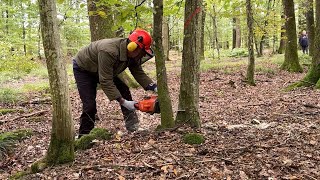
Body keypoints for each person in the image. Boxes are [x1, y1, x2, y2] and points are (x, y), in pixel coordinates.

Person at [73, 29, 158, 136]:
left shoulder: (133, 55)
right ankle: (84, 136)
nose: (142, 55)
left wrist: (153, 87)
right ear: (133, 46)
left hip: (103, 69)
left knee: (124, 90)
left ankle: (133, 126)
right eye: (142, 52)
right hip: (84, 69)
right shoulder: (109, 51)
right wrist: (123, 102)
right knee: (89, 105)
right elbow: (105, 80)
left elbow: (138, 72)